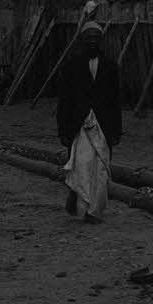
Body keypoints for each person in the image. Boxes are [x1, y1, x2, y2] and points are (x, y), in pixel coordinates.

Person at [57, 21, 122, 223]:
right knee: (82, 166)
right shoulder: (71, 66)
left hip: (103, 124)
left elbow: (115, 101)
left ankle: (95, 212)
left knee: (101, 169)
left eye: (96, 38)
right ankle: (77, 196)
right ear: (82, 40)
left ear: (101, 41)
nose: (92, 41)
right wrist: (63, 130)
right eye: (89, 38)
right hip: (79, 124)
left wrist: (116, 130)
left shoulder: (110, 66)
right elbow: (64, 101)